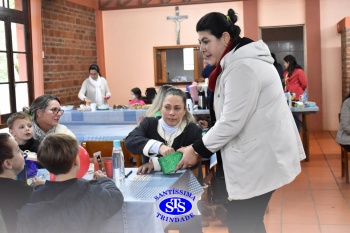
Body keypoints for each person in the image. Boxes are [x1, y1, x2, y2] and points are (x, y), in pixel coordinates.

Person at [176, 9, 305, 233]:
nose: (202, 49)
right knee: (250, 223)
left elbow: (232, 122)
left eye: (206, 41)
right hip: (258, 157)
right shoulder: (237, 63)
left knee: (241, 223)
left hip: (260, 160)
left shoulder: (242, 67)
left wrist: (197, 149)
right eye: (199, 42)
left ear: (225, 38)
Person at [124, 88, 202, 233]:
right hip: (151, 189)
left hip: (182, 189)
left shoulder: (193, 130)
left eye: (177, 108)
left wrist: (154, 164)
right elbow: (130, 141)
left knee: (190, 225)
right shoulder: (149, 124)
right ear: (161, 107)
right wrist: (158, 146)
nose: (171, 113)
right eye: (167, 107)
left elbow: (187, 160)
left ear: (184, 110)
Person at [17, 133, 124, 233]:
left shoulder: (37, 195)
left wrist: (41, 187)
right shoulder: (93, 191)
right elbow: (116, 198)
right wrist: (103, 180)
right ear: (76, 161)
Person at [0, 133, 43, 233]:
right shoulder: (22, 191)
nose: (23, 152)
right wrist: (39, 189)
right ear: (8, 163)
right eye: (18, 150)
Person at [7, 112, 40, 180]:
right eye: (22, 127)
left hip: (36, 177)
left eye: (29, 126)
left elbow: (45, 162)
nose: (27, 129)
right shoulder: (11, 146)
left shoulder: (37, 146)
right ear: (12, 132)